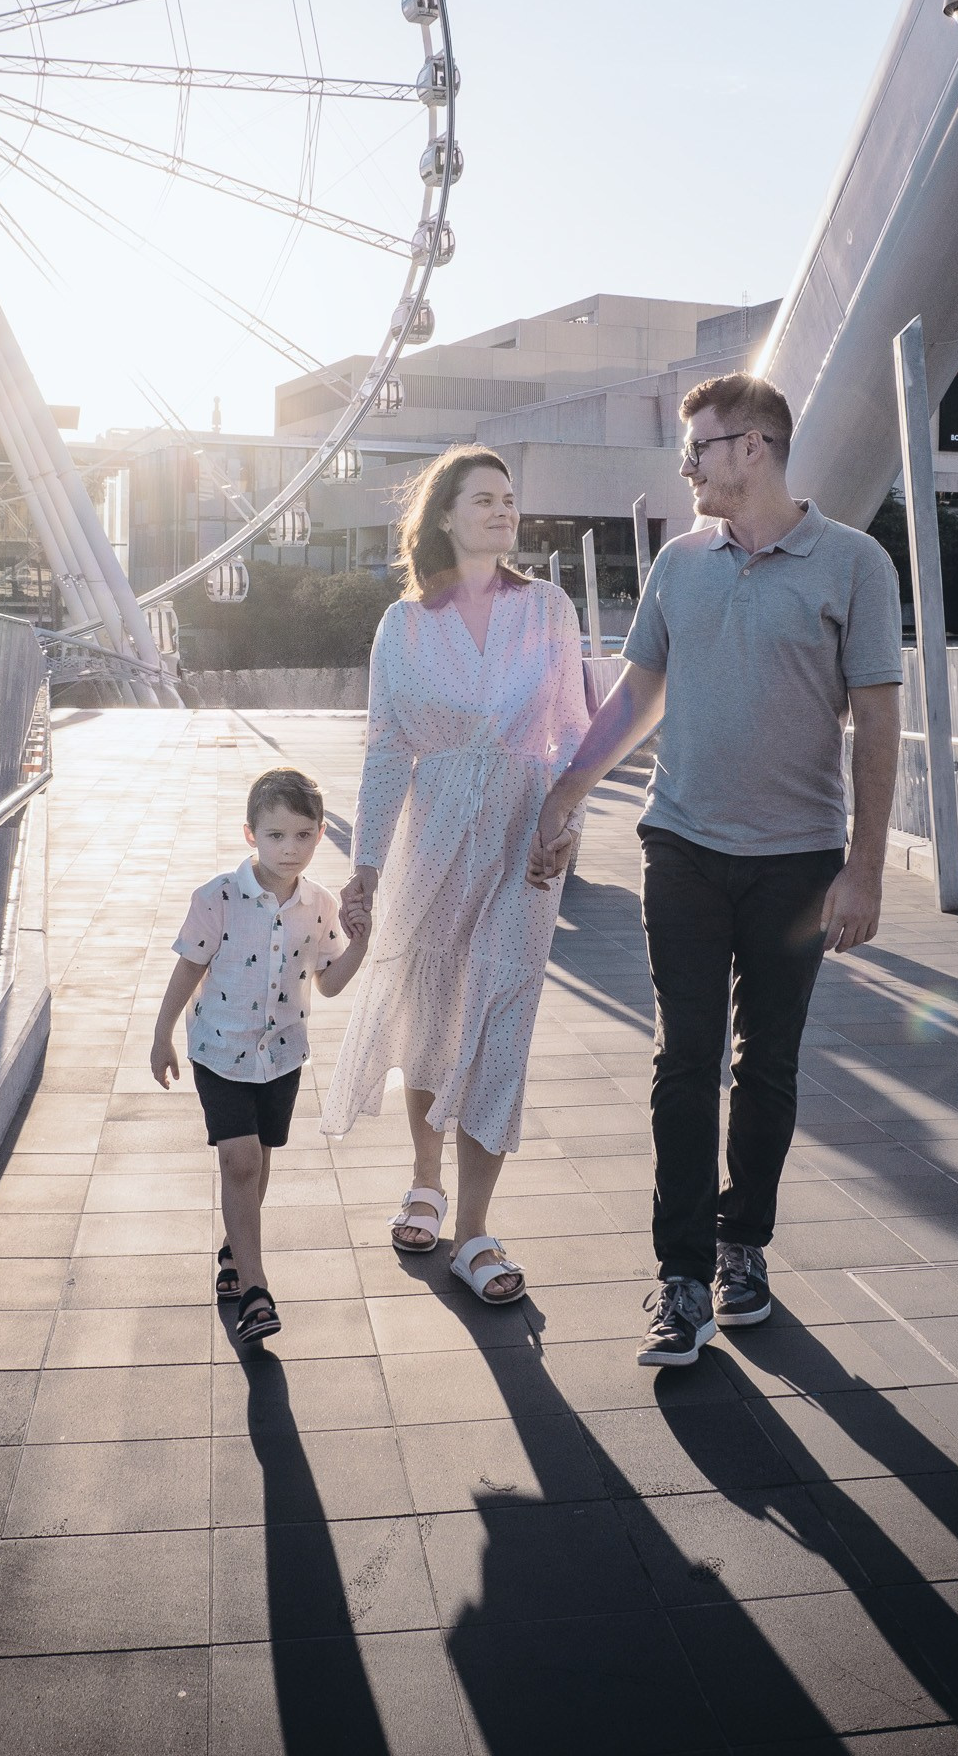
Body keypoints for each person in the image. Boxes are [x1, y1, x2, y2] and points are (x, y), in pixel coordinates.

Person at [529, 372, 902, 1366]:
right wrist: (567, 790)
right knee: (682, 1059)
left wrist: (862, 869)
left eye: (701, 445)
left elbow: (875, 725)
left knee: (764, 1064)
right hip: (682, 846)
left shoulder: (854, 564)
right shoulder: (679, 567)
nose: (686, 463)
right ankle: (682, 1275)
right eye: (686, 446)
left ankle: (744, 1247)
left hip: (796, 861)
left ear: (757, 447)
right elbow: (636, 696)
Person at [321, 446, 589, 1304]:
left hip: (523, 839)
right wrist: (363, 868)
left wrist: (565, 824)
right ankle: (424, 1178)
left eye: (510, 499)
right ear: (443, 515)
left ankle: (475, 1228)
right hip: (430, 840)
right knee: (431, 1008)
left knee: (501, 1014)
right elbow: (385, 748)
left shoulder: (546, 607)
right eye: (484, 499)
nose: (503, 511)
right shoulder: (403, 626)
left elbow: (572, 731)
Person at [151, 766, 369, 1345]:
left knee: (261, 1159)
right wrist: (161, 1033)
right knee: (240, 1161)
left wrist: (363, 941)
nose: (289, 848)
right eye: (276, 836)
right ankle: (254, 1290)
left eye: (302, 835)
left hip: (282, 1056)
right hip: (219, 1052)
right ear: (251, 835)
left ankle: (233, 1253)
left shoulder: (320, 904)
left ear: (320, 833)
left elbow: (329, 983)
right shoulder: (218, 896)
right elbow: (189, 967)